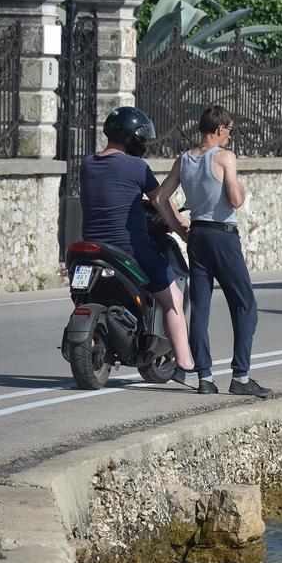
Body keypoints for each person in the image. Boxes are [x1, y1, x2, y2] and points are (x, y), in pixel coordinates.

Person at [79, 107, 199, 388]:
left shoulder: (86, 164)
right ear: (134, 137)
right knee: (173, 299)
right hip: (128, 247)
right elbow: (160, 200)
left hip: (90, 247)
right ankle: (185, 364)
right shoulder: (136, 168)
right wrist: (182, 229)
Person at [157, 105, 271, 398]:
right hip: (223, 236)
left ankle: (204, 377)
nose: (230, 137)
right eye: (230, 130)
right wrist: (240, 187)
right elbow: (234, 200)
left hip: (197, 235)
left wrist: (179, 228)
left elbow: (160, 196)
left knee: (201, 307)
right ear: (220, 129)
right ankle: (241, 377)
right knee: (246, 304)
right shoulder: (224, 157)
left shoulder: (184, 160)